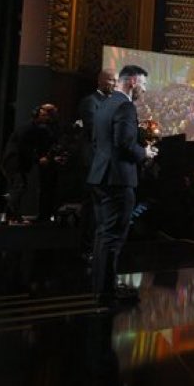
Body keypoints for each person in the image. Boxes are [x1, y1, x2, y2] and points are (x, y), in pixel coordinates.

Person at [86, 65, 157, 303]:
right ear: (133, 82)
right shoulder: (125, 106)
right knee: (113, 238)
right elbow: (125, 144)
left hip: (100, 177)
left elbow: (97, 142)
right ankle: (106, 293)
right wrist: (145, 153)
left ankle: (100, 288)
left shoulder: (104, 104)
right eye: (143, 85)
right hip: (118, 180)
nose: (144, 90)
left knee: (103, 235)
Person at [75, 70, 117, 257]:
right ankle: (87, 248)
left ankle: (99, 248)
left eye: (116, 81)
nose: (114, 84)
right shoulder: (90, 102)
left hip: (106, 161)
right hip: (93, 161)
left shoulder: (112, 103)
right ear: (100, 81)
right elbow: (95, 129)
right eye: (111, 80)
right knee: (93, 206)